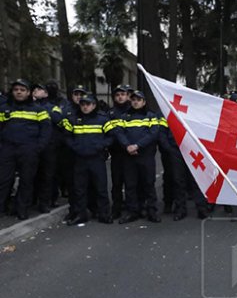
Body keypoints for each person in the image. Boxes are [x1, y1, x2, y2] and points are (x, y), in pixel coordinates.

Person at [106, 90, 161, 224]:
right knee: (131, 185)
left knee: (148, 184)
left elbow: (153, 134)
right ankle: (133, 211)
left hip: (145, 156)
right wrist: (127, 146)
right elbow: (119, 132)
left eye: (139, 99)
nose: (136, 102)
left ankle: (151, 210)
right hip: (129, 156)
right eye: (134, 99)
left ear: (143, 102)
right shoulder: (125, 117)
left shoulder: (151, 116)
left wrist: (137, 145)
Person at [59, 93, 114, 225]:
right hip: (79, 159)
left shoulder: (102, 119)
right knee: (79, 188)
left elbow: (111, 136)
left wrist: (100, 146)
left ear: (94, 105)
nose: (85, 107)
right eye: (82, 104)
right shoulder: (73, 119)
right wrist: (75, 147)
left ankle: (104, 214)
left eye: (88, 104)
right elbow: (66, 136)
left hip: (96, 158)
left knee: (100, 187)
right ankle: (81, 214)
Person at [0, 79, 51, 219]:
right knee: (4, 179)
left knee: (26, 180)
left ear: (28, 93)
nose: (18, 92)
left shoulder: (39, 110)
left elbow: (46, 131)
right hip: (7, 149)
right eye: (16, 89)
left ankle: (22, 209)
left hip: (29, 149)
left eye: (22, 90)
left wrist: (37, 148)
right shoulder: (4, 108)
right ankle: (2, 207)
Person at [32, 83, 63, 213]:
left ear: (46, 93)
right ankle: (32, 200)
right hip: (33, 146)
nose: (36, 91)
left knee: (48, 175)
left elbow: (59, 120)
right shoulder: (29, 107)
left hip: (50, 147)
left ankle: (47, 201)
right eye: (34, 89)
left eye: (39, 89)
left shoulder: (53, 108)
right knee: (32, 175)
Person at [107, 84, 133, 218]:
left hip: (130, 153)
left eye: (122, 94)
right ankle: (116, 208)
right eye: (117, 95)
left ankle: (130, 208)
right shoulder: (111, 113)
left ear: (127, 96)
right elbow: (108, 132)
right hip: (116, 153)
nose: (120, 97)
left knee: (130, 182)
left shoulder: (133, 110)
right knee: (116, 182)